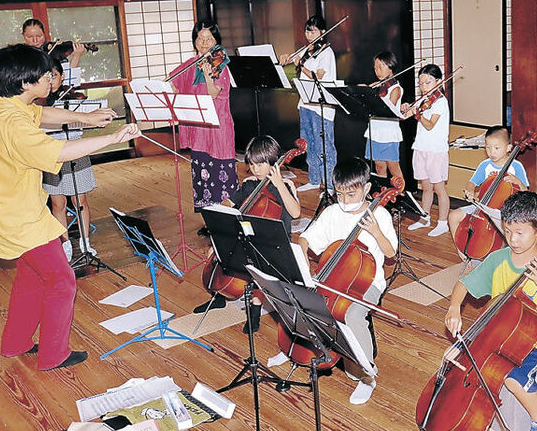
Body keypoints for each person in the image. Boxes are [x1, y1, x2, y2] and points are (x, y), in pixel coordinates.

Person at [0, 44, 139, 370]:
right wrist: (112, 138)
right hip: (19, 217)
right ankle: (53, 354)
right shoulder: (12, 125)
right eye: (44, 75)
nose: (51, 79)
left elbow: (41, 114)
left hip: (2, 209)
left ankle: (15, 342)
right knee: (62, 281)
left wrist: (85, 118)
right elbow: (58, 152)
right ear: (24, 82)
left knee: (31, 278)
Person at [445, 191, 537, 431]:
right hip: (496, 334)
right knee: (454, 358)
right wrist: (454, 307)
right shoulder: (497, 259)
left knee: (512, 376)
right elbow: (464, 283)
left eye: (520, 233)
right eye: (507, 231)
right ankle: (468, 410)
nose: (512, 239)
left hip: (536, 341)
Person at [286, 158, 397, 405]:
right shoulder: (332, 212)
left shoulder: (380, 214)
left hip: (368, 281)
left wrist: (376, 232)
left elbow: (390, 254)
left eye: (351, 194)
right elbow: (306, 239)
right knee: (303, 302)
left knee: (352, 315)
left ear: (367, 189)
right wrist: (303, 255)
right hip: (331, 277)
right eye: (339, 194)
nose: (344, 200)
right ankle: (316, 351)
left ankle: (367, 374)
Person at [194, 135, 302, 331]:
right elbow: (231, 202)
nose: (255, 169)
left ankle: (254, 310)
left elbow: (296, 212)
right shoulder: (250, 185)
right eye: (251, 164)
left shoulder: (285, 186)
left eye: (260, 164)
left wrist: (278, 184)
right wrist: (219, 209)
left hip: (273, 246)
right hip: (249, 239)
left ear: (274, 162)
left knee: (259, 269)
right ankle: (218, 295)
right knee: (221, 249)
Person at [169, 20, 236, 219]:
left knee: (221, 172)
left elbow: (213, 93)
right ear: (194, 40)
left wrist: (207, 76)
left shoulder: (220, 63)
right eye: (201, 38)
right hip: (199, 127)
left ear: (216, 41)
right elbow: (174, 84)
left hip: (218, 126)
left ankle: (228, 218)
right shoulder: (191, 64)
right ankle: (210, 219)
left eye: (210, 39)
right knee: (202, 173)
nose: (205, 43)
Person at [39, 60, 97, 260]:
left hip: (76, 152)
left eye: (54, 76)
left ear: (62, 76)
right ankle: (65, 244)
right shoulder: (38, 104)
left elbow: (84, 126)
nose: (50, 81)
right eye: (46, 76)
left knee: (80, 201)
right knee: (57, 203)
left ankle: (85, 241)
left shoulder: (74, 98)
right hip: (52, 155)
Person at [448, 125, 529, 257]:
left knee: (507, 232)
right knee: (453, 216)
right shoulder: (485, 165)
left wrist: (519, 182)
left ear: (508, 148)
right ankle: (462, 252)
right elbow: (471, 183)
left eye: (496, 148)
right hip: (483, 208)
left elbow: (527, 193)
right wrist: (470, 191)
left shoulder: (516, 167)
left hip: (506, 212)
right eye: (488, 147)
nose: (492, 152)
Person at [280, 15, 337, 193]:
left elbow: (318, 75)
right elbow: (289, 59)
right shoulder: (308, 50)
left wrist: (302, 64)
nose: (309, 34)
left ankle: (330, 185)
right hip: (305, 103)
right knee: (308, 143)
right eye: (307, 30)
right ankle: (314, 179)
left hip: (321, 107)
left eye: (313, 31)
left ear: (321, 32)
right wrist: (285, 57)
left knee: (325, 146)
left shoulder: (326, 52)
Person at [402, 64, 451, 237]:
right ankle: (425, 218)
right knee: (426, 187)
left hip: (435, 151)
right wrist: (406, 108)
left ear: (438, 82)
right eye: (420, 83)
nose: (423, 87)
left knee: (439, 188)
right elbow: (404, 116)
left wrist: (418, 114)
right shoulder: (423, 100)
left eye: (427, 82)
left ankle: (443, 222)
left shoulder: (440, 102)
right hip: (421, 148)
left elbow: (429, 125)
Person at [363, 51, 405, 181]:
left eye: (381, 67)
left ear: (390, 67)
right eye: (375, 68)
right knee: (379, 166)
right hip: (375, 131)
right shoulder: (378, 86)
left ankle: (400, 196)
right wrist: (363, 91)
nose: (377, 71)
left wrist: (371, 95)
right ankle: (383, 196)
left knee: (394, 168)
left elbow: (387, 109)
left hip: (388, 133)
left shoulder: (395, 88)